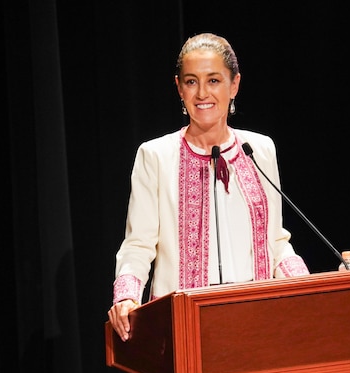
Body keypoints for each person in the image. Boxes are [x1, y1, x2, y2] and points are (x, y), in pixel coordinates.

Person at [108, 32, 309, 340]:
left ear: (234, 85)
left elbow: (276, 242)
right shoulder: (156, 156)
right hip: (182, 332)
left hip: (259, 326)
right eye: (191, 81)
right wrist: (125, 296)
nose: (202, 93)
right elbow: (139, 245)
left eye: (214, 80)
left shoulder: (259, 150)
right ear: (179, 87)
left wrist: (306, 286)